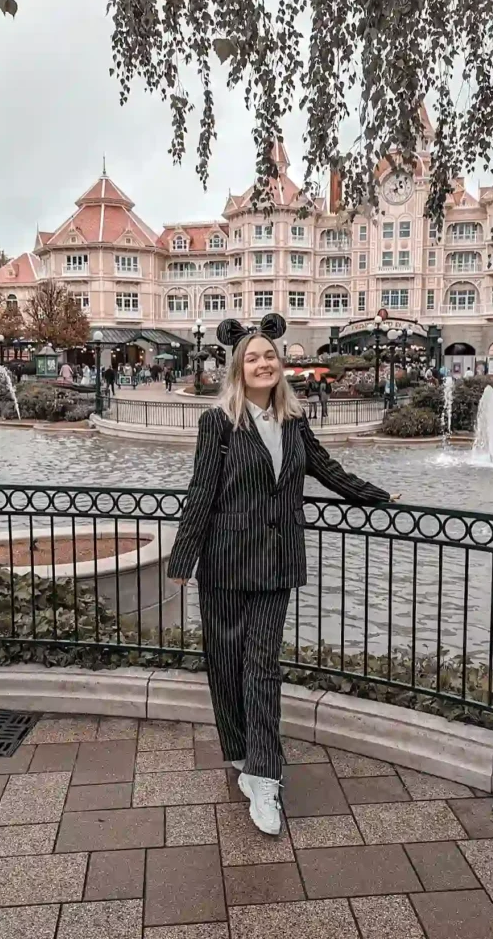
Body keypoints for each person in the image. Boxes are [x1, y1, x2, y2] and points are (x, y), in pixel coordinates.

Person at [167, 314, 400, 837]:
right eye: (252, 357)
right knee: (224, 663)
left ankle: (264, 776)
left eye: (269, 355)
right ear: (238, 368)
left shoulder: (295, 422)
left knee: (261, 667)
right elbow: (201, 493)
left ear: (281, 363)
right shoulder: (218, 423)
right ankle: (239, 750)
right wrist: (183, 560)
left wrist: (377, 495)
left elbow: (326, 469)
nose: (263, 363)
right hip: (225, 562)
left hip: (277, 563)